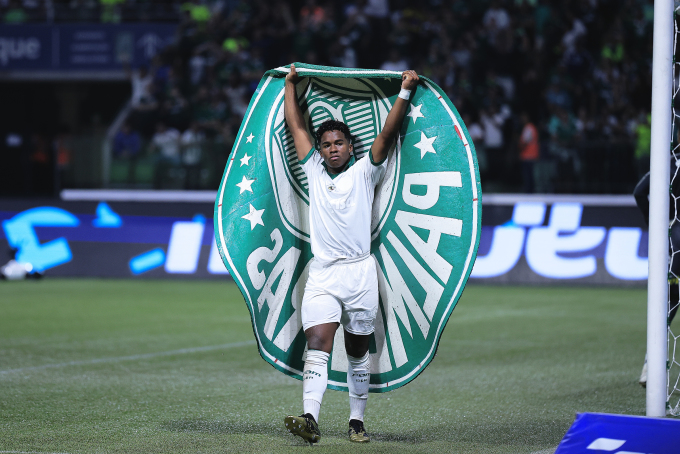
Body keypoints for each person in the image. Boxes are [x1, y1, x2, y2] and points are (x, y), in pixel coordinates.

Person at [283, 64, 419, 444]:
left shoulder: (364, 172)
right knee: (318, 343)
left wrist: (405, 91)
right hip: (324, 274)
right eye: (326, 144)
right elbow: (296, 127)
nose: (331, 149)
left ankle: (356, 420)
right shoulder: (312, 169)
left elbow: (388, 134)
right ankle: (310, 417)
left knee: (357, 351)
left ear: (350, 146)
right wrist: (290, 86)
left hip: (359, 274)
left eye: (338, 143)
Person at [634, 154, 680, 387]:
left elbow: (639, 192)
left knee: (665, 312)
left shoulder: (666, 164)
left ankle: (649, 370)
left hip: (671, 244)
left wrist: (655, 222)